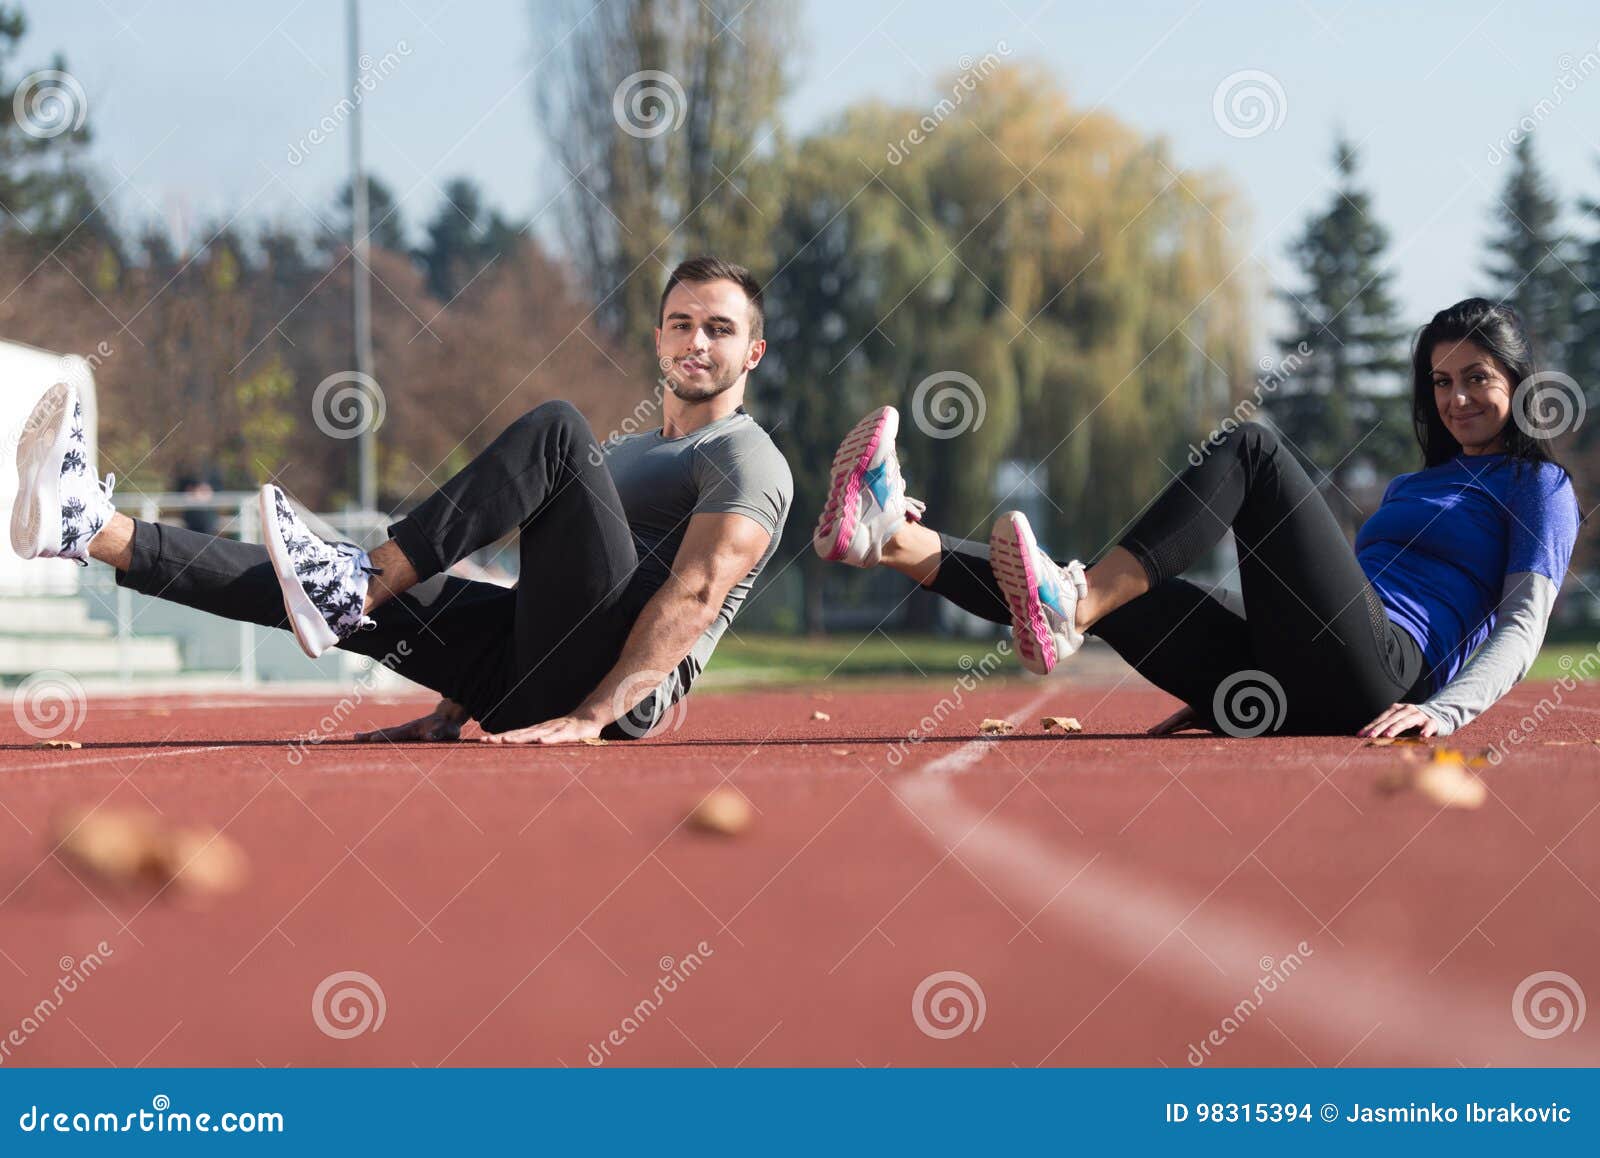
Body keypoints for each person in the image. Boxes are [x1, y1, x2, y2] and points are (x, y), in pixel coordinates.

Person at [12, 256, 792, 745]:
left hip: (618, 695)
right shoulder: (629, 453)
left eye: (719, 330)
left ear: (751, 351)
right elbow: (552, 593)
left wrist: (596, 715)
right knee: (304, 586)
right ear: (657, 338)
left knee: (556, 430)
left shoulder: (744, 455)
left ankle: (361, 577)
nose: (697, 342)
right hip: (539, 666)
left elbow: (694, 594)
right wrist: (458, 699)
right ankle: (92, 530)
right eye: (681, 324)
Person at [813, 298, 1580, 738]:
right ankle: (890, 539)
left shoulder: (1537, 484)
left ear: (1518, 381)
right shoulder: (1424, 483)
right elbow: (1315, 600)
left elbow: (1524, 623)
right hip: (1299, 677)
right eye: (1442, 382)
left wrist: (1446, 715)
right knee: (1121, 593)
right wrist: (1226, 691)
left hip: (1383, 675)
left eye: (1477, 378)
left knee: (1250, 449)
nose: (1457, 399)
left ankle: (1073, 603)